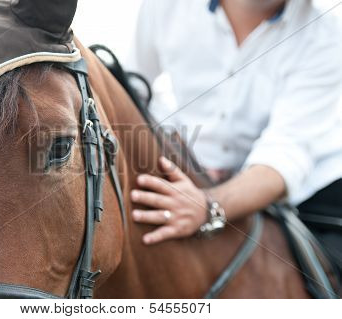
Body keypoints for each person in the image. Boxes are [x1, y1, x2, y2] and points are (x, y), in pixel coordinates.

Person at [127, 0, 342, 271]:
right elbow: (133, 87)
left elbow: (287, 154)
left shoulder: (327, 34)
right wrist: (170, 139)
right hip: (192, 168)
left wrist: (208, 206)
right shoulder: (166, 7)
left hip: (313, 193)